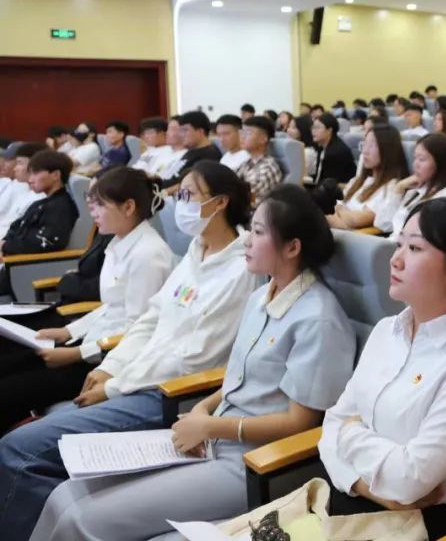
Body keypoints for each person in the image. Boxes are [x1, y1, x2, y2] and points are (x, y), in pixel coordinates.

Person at [31, 185, 356, 540]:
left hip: (253, 461)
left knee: (88, 518)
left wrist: (212, 426)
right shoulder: (262, 296)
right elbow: (238, 377)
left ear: (292, 248)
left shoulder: (318, 319)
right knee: (64, 494)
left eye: (259, 232)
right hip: (214, 437)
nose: (247, 241)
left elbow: (300, 422)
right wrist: (202, 409)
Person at [0, 162, 258, 540]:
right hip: (134, 376)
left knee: (19, 450)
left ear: (220, 203)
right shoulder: (196, 252)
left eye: (189, 195)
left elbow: (192, 359)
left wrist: (114, 385)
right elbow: (151, 318)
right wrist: (112, 368)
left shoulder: (240, 270)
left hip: (170, 393)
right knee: (23, 441)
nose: (179, 203)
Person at [319, 198, 446, 538]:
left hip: (412, 527)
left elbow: (409, 479)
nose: (396, 259)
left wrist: (349, 433)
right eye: (399, 244)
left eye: (415, 248)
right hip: (345, 501)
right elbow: (330, 426)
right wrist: (370, 488)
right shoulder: (386, 331)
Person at [0, 168, 174, 432]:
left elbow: (138, 329)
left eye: (100, 206)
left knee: (9, 390)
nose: (93, 213)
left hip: (108, 360)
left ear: (128, 207)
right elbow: (110, 308)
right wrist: (68, 331)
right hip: (92, 343)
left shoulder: (148, 255)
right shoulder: (119, 243)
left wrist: (76, 353)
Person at [0, 151, 79, 297]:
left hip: (26, 270)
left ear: (55, 175)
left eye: (35, 173)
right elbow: (16, 228)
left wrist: (5, 246)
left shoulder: (60, 206)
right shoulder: (42, 203)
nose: (30, 179)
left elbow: (47, 242)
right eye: (30, 174)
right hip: (13, 266)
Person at [387, 134, 446, 239]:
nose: (415, 165)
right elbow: (384, 224)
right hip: (394, 243)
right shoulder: (417, 189)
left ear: (440, 162)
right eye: (415, 158)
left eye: (421, 159)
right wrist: (399, 188)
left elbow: (434, 236)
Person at [329, 124, 409, 233]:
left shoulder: (391, 187)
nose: (365, 151)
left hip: (353, 237)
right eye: (364, 144)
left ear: (387, 150)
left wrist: (339, 210)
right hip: (337, 231)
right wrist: (344, 215)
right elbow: (335, 204)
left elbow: (357, 220)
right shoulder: (359, 180)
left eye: (372, 145)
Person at [160, 111, 223, 191]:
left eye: (185, 130)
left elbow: (194, 184)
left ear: (200, 131)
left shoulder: (210, 155)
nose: (181, 135)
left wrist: (163, 193)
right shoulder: (191, 151)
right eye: (180, 131)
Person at [235, 116, 284, 206]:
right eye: (242, 133)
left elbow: (243, 199)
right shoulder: (248, 162)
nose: (242, 137)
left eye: (248, 133)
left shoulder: (266, 169)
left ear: (263, 139)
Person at [0, 143, 46, 238]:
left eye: (20, 163)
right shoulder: (26, 191)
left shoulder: (39, 199)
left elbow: (19, 235)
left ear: (34, 166)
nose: (15, 168)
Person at [312, 113, 357, 186]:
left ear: (329, 130)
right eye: (313, 127)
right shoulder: (322, 146)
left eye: (317, 128)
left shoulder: (336, 152)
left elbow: (329, 184)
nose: (313, 131)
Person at [287, 115, 317, 181]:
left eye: (294, 128)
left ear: (303, 130)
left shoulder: (307, 152)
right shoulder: (294, 148)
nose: (288, 130)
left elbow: (299, 175)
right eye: (289, 126)